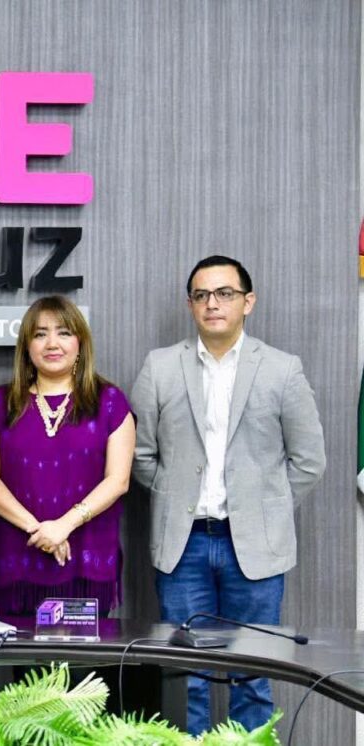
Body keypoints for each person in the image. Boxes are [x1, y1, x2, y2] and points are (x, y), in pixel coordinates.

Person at [130, 255, 326, 734]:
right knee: (183, 677)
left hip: (254, 547)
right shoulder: (161, 366)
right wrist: (176, 500)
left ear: (247, 302)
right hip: (184, 545)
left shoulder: (282, 369)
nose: (212, 304)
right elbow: (141, 455)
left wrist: (264, 512)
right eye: (201, 295)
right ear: (190, 305)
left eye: (224, 294)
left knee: (254, 674)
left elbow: (308, 461)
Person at [0, 296, 135, 626]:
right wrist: (41, 531)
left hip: (85, 558)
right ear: (27, 346)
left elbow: (118, 481)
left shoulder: (109, 401)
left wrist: (64, 526)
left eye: (63, 332)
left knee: (79, 659)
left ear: (80, 342)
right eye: (40, 334)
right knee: (20, 659)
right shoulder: (1, 402)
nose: (52, 343)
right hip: (17, 558)